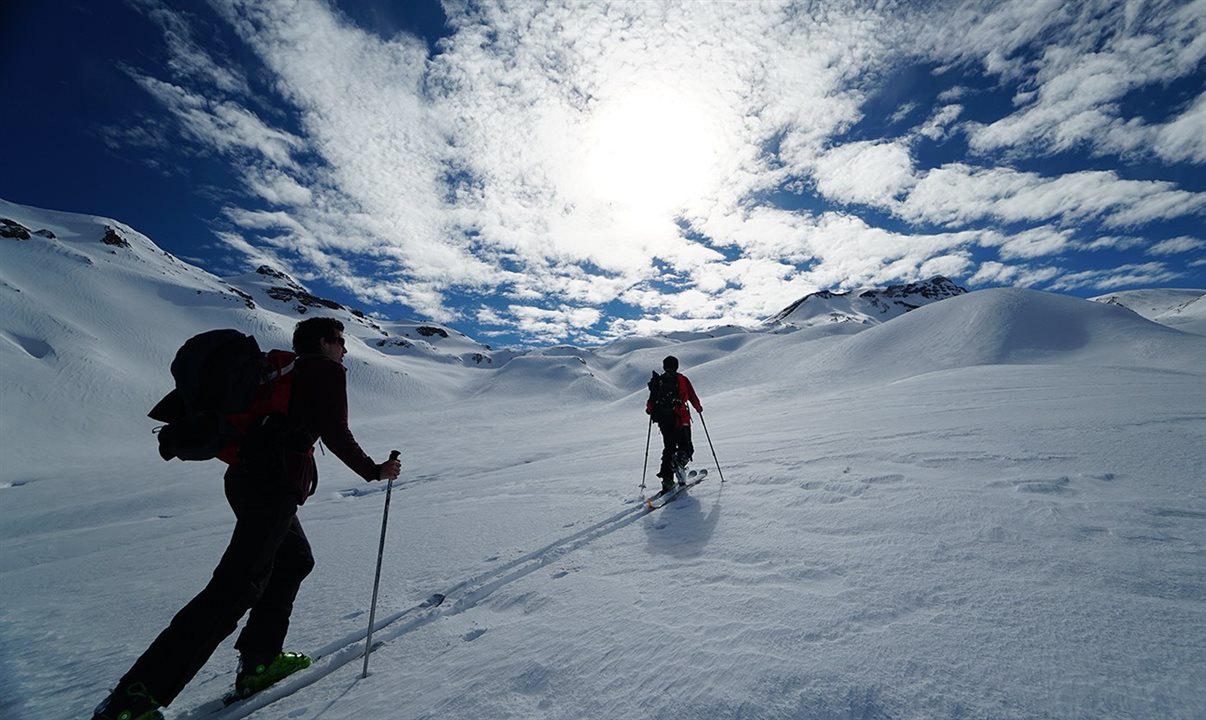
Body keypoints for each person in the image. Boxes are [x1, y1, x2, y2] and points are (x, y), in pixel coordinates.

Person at [92, 317, 402, 720]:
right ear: (324, 343)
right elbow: (335, 431)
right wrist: (374, 470)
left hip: (246, 478)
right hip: (272, 484)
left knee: (294, 560)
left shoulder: (279, 369)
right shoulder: (323, 370)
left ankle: (260, 661)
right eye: (341, 341)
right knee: (236, 587)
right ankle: (135, 699)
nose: (345, 350)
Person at [646, 355, 703, 494]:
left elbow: (650, 404)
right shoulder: (682, 379)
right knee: (686, 447)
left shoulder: (658, 381)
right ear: (676, 366)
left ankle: (667, 480)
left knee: (669, 448)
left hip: (664, 421)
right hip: (681, 419)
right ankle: (679, 463)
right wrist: (698, 408)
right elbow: (692, 396)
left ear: (664, 366)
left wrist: (652, 410)